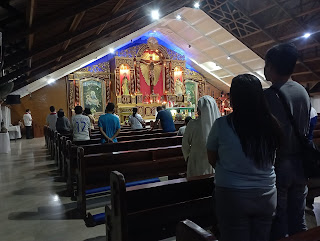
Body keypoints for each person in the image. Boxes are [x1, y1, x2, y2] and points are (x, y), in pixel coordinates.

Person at [207, 74, 281, 241]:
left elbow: (212, 158)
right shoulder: (272, 124)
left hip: (232, 194)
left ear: (234, 98)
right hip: (266, 193)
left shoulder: (222, 124)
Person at [264, 43, 310, 240]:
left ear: (272, 66)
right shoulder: (302, 91)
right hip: (301, 163)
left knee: (279, 220)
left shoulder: (268, 95)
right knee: (298, 219)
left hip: (278, 164)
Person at [182, 95, 220, 177]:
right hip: (214, 161)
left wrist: (188, 157)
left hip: (196, 159)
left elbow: (185, 144)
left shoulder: (192, 124)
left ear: (199, 109)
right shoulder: (219, 125)